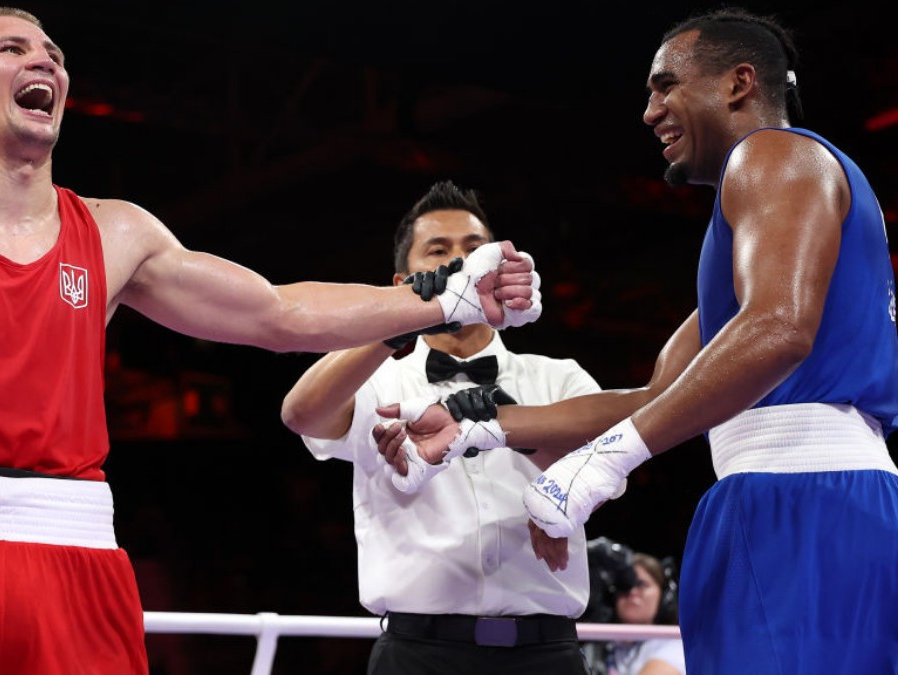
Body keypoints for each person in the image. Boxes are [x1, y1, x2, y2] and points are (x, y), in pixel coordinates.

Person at [0, 4, 540, 673]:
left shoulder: (115, 233)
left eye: (54, 51)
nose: (46, 61)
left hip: (78, 564)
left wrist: (448, 293)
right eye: (14, 47)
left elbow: (278, 313)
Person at [373, 8, 898, 674]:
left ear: (739, 83)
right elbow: (657, 395)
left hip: (799, 501)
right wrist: (475, 424)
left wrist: (601, 465)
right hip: (812, 500)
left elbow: (779, 328)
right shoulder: (765, 222)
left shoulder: (775, 155)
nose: (650, 111)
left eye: (666, 85)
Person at [281, 180, 601, 674]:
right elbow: (300, 413)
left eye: (475, 250)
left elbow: (604, 466)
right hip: (416, 655)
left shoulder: (559, 377)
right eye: (439, 251)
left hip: (545, 653)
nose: (461, 264)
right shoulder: (376, 382)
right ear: (402, 282)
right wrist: (400, 322)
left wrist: (504, 420)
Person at [604, 553, 684, 675]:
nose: (632, 592)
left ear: (664, 597)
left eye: (641, 585)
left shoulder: (674, 645)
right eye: (625, 585)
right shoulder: (598, 645)